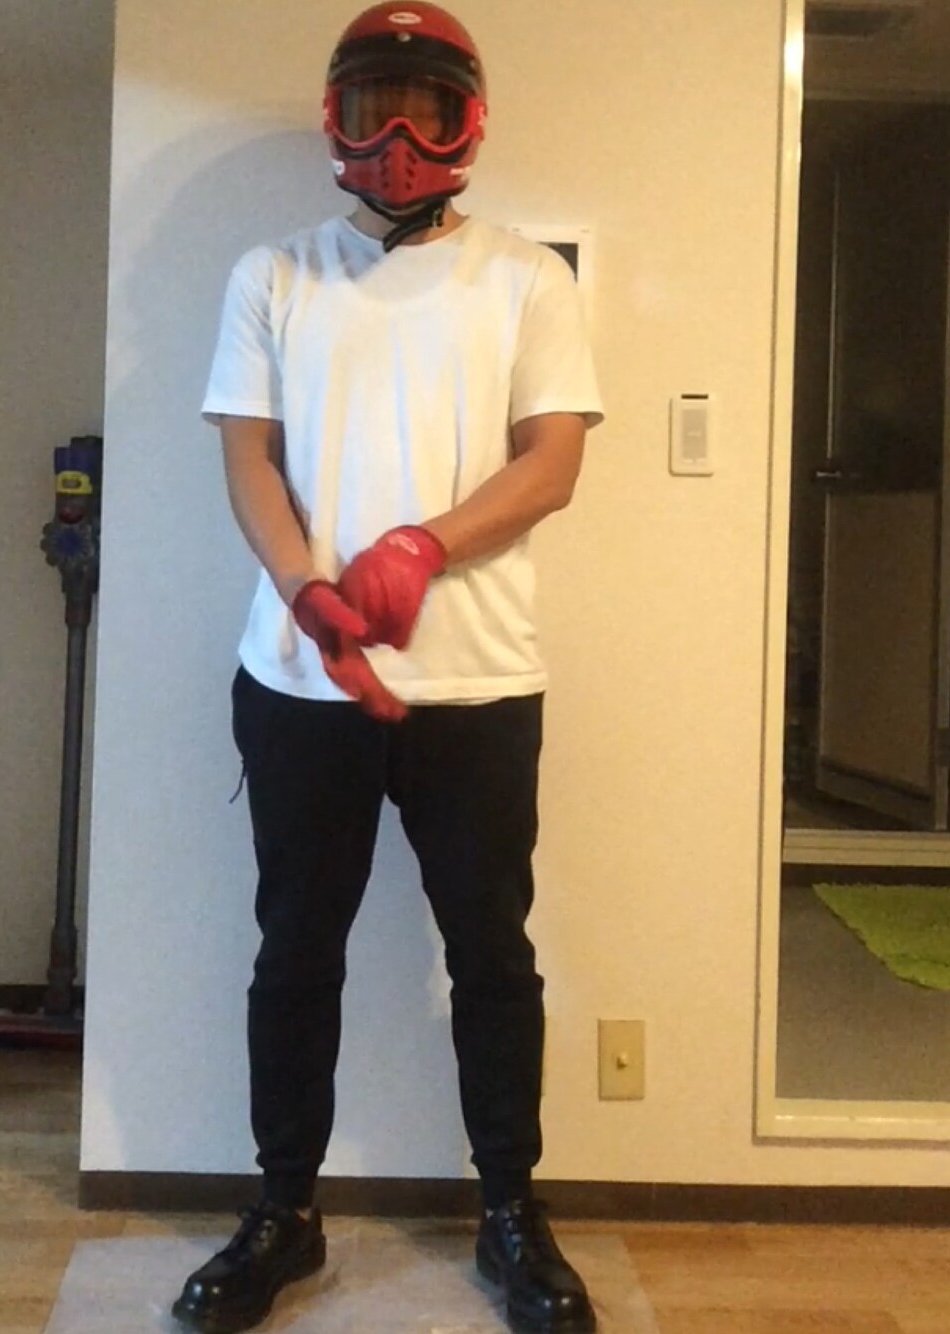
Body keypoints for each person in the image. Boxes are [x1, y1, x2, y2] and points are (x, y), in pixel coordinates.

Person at [172, 3, 604, 1332]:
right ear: (336, 119)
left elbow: (553, 461)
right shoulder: (274, 275)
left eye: (426, 109)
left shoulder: (527, 278)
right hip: (301, 685)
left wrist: (424, 542)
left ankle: (511, 1212)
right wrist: (307, 590)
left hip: (477, 685)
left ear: (470, 123)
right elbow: (248, 457)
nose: (399, 138)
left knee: (493, 956)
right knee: (295, 951)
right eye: (374, 108)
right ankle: (284, 1212)